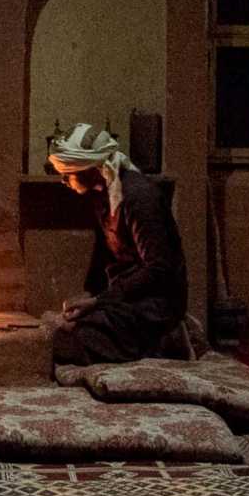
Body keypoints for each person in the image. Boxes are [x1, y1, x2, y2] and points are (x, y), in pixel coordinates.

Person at [48, 122, 188, 365]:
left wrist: (99, 302)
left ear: (93, 169)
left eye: (68, 174)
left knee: (68, 341)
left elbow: (159, 270)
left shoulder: (139, 199)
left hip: (153, 304)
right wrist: (91, 295)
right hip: (123, 298)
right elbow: (104, 253)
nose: (64, 181)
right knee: (62, 329)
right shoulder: (102, 195)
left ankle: (164, 342)